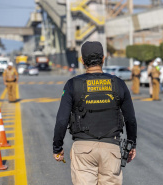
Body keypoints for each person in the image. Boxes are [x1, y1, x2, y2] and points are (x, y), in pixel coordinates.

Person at [53, 41, 137, 185]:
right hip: (111, 148)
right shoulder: (118, 83)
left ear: (82, 61)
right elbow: (130, 119)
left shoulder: (72, 84)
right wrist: (132, 144)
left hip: (83, 149)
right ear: (103, 59)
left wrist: (57, 148)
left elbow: (62, 120)